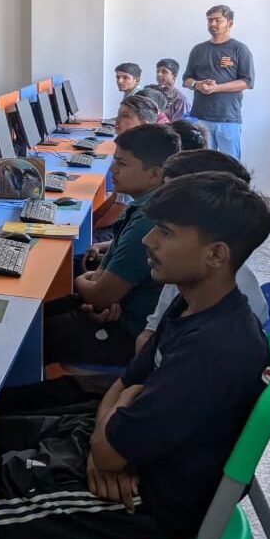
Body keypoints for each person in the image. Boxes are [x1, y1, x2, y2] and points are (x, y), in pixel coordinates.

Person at [0, 172, 270, 539]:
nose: (147, 240)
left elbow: (111, 449)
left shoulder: (213, 349)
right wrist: (111, 427)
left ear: (216, 255)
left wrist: (107, 443)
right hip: (128, 454)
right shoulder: (192, 305)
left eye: (166, 232)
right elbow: (126, 384)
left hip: (147, 497)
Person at [43, 124, 180, 366]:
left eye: (122, 164)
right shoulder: (147, 206)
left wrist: (82, 281)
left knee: (34, 335)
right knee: (41, 310)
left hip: (127, 335)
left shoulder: (147, 220)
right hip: (117, 312)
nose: (113, 169)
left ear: (154, 174)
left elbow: (100, 297)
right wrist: (96, 285)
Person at [139, 150, 268, 352]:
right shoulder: (189, 289)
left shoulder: (216, 338)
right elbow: (151, 334)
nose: (147, 240)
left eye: (166, 231)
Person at [183, 5, 255, 159]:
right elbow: (186, 79)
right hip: (200, 118)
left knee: (230, 164)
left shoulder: (240, 49)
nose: (213, 24)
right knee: (202, 163)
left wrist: (216, 88)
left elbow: (247, 82)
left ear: (230, 23)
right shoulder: (198, 50)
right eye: (210, 20)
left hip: (228, 119)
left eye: (218, 20)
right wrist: (197, 85)